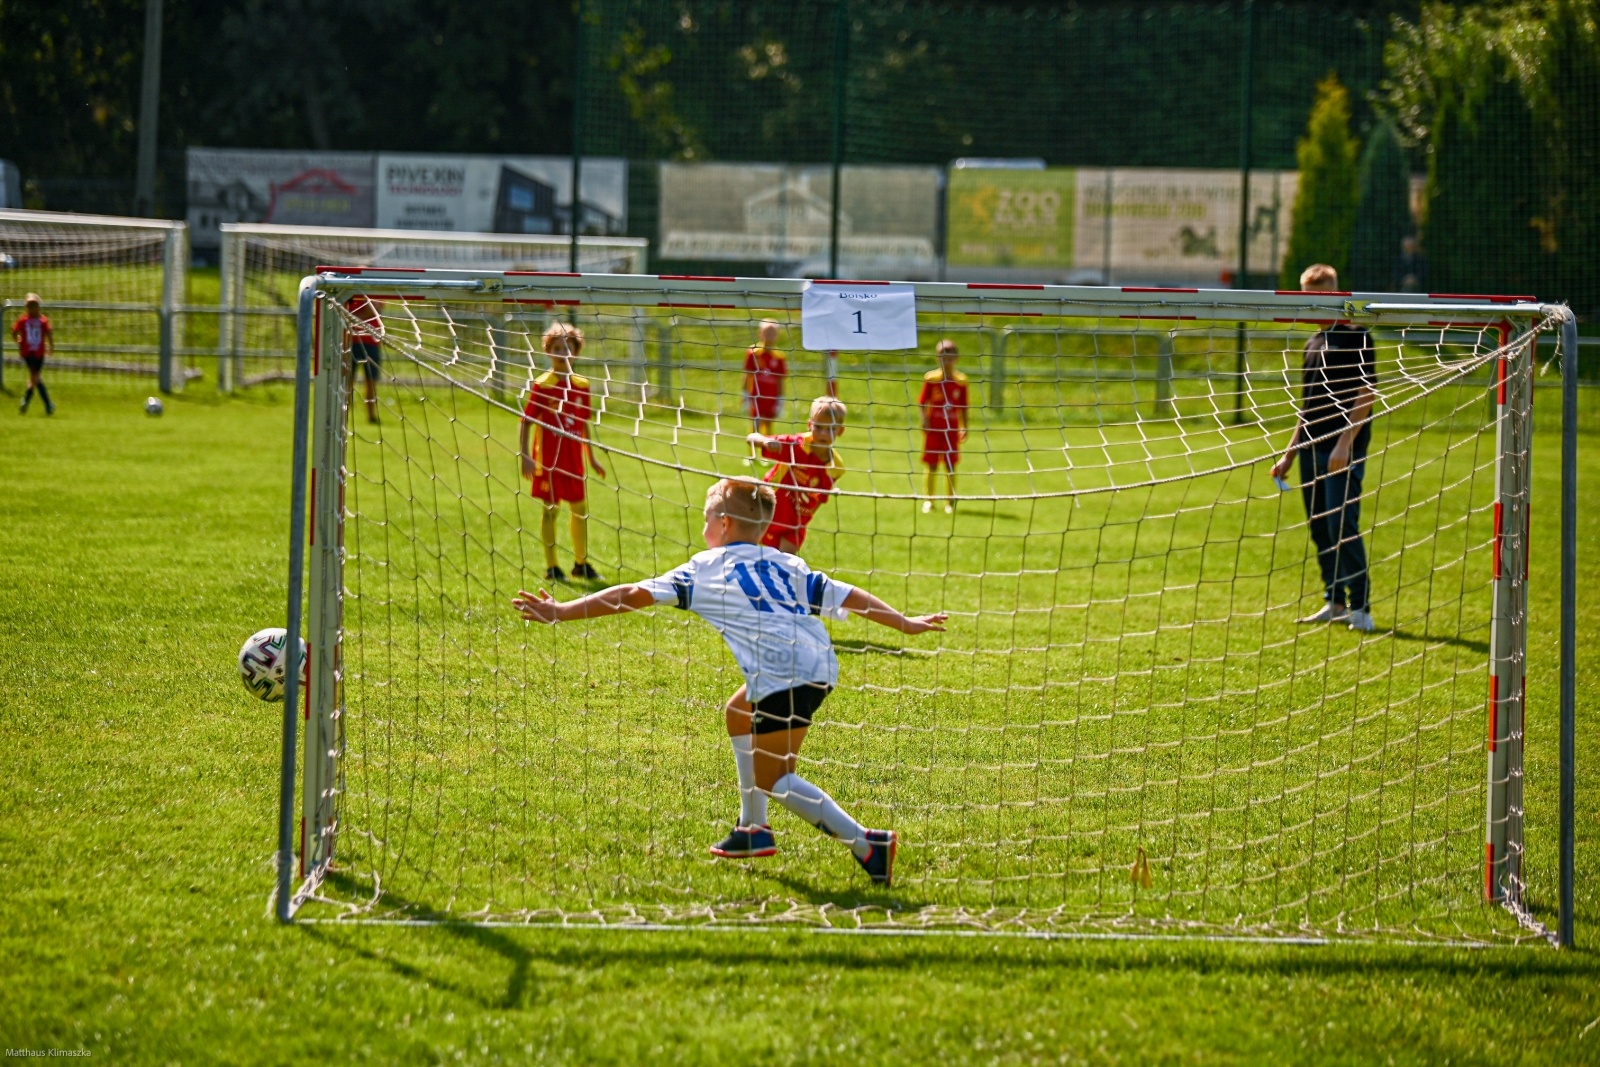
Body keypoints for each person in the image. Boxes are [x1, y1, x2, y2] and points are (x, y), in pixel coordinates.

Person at [511, 478, 948, 885]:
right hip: (818, 663)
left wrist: (564, 611)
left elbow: (632, 594)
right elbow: (845, 592)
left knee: (776, 779)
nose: (703, 527)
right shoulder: (786, 562)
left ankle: (867, 844)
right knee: (739, 712)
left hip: (783, 673)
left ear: (723, 523)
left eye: (706, 518)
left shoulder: (706, 568)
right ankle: (752, 829)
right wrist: (904, 623)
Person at [1269, 264, 1378, 633]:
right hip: (1312, 450)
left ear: (1334, 293)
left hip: (1341, 451)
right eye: (1306, 295)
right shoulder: (1312, 343)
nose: (1312, 302)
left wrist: (1344, 445)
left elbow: (1367, 393)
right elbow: (1308, 405)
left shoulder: (1358, 336)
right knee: (1319, 527)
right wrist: (1289, 453)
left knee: (1341, 524)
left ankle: (1361, 607)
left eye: (1319, 295)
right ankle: (1334, 601)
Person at [519, 322, 607, 582]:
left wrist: (591, 458)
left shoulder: (582, 385)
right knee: (551, 510)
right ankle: (552, 567)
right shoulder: (543, 385)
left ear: (576, 352)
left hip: (574, 461)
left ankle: (581, 563)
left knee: (580, 509)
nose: (562, 353)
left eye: (567, 348)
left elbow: (583, 424)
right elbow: (526, 421)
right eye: (556, 348)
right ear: (548, 351)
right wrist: (525, 454)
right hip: (548, 462)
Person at [747, 395, 847, 554]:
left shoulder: (835, 466)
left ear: (840, 431)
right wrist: (765, 442)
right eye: (819, 427)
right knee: (746, 553)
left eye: (830, 429)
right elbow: (751, 438)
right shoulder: (796, 445)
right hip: (768, 509)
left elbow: (820, 498)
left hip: (795, 522)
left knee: (785, 562)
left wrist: (804, 520)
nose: (823, 434)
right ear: (809, 425)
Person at [918, 339, 969, 513]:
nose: (946, 360)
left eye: (950, 356)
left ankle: (950, 502)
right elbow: (922, 402)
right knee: (931, 464)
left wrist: (965, 426)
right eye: (942, 356)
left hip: (952, 430)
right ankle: (929, 501)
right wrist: (924, 420)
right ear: (937, 358)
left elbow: (964, 407)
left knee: (950, 465)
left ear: (957, 358)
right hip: (934, 429)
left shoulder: (961, 381)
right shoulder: (931, 379)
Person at [743, 320, 788, 442]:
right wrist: (745, 395)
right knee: (756, 423)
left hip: (771, 396)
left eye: (773, 333)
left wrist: (780, 399)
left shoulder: (779, 356)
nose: (769, 335)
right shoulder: (753, 352)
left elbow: (780, 380)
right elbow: (748, 375)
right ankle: (752, 455)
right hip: (756, 395)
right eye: (767, 332)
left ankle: (766, 455)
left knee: (768, 424)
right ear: (760, 333)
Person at [345, 294, 384, 423]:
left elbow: (374, 311)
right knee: (348, 382)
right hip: (352, 343)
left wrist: (356, 317)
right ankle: (344, 414)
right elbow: (345, 316)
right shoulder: (348, 296)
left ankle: (372, 416)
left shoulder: (375, 293)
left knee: (371, 382)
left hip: (371, 343)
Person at [13, 293, 54, 415]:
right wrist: (51, 346)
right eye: (30, 306)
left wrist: (19, 341)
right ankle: (48, 404)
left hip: (33, 352)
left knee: (33, 378)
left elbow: (14, 332)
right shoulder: (40, 320)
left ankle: (25, 402)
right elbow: (49, 334)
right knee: (36, 377)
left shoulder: (25, 320)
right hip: (33, 353)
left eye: (34, 306)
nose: (32, 308)